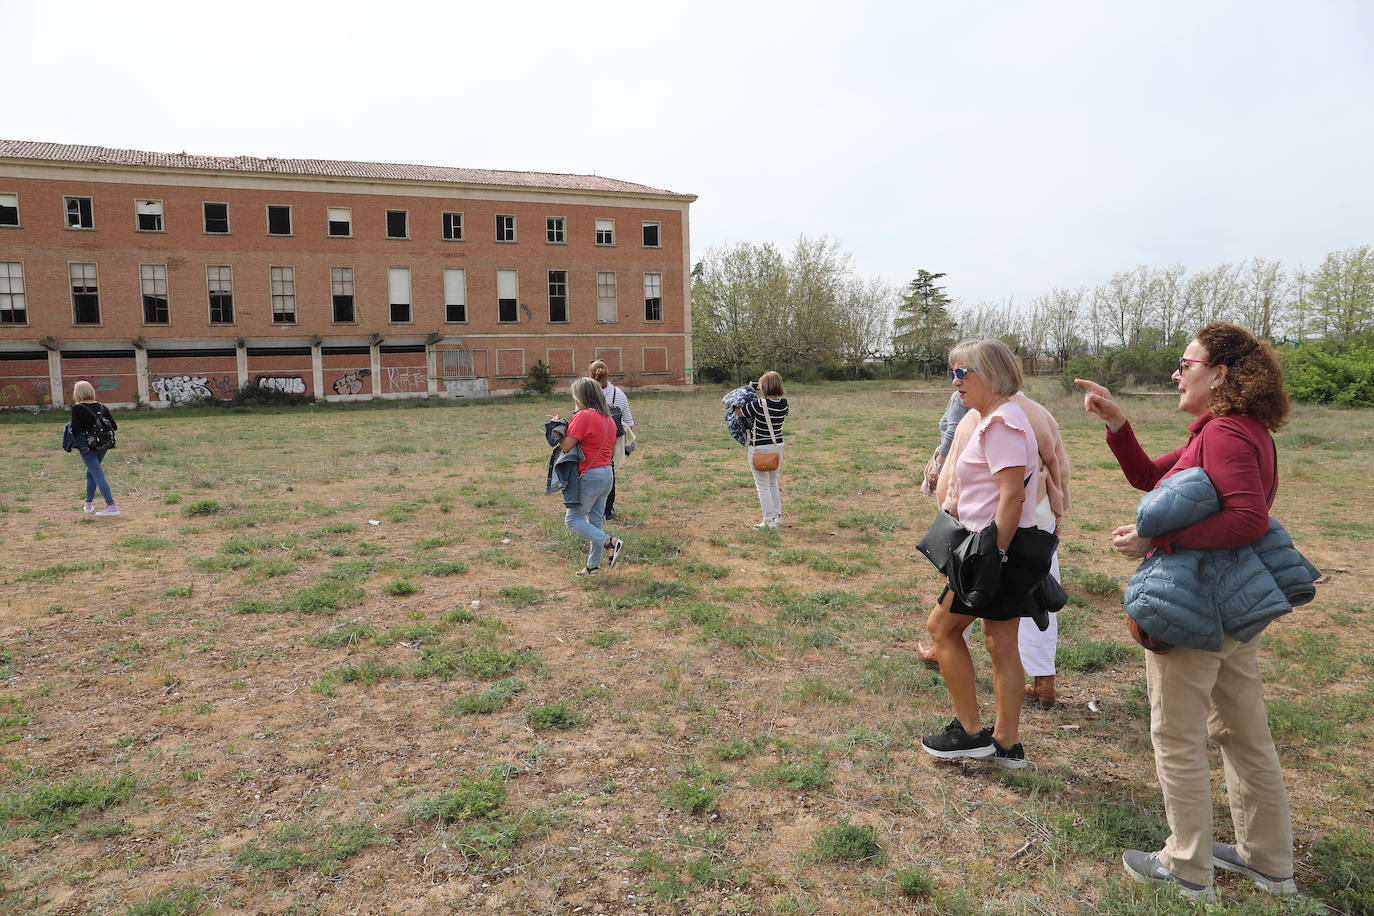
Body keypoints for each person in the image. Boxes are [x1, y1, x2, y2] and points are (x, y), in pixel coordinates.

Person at [1076, 322, 1298, 901]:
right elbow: (1152, 477)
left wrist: (1160, 542)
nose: (1178, 373)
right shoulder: (1233, 430)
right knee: (1244, 733)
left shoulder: (1223, 434)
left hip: (1197, 606)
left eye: (1186, 363)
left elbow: (1247, 519)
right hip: (1232, 607)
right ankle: (1268, 862)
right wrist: (1118, 424)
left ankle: (1186, 866)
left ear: (1220, 374)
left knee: (1176, 733)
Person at [920, 340, 1045, 769]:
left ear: (990, 374)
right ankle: (1006, 745)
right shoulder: (996, 418)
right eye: (952, 372)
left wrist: (995, 558)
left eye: (961, 373)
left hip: (992, 550)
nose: (954, 383)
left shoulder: (1002, 424)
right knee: (1000, 643)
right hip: (999, 548)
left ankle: (970, 732)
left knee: (942, 629)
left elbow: (1011, 498)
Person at [919, 391, 1071, 709]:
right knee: (1035, 592)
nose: (958, 381)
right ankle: (1044, 680)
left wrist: (948, 508)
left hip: (996, 517)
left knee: (973, 579)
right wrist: (1057, 507)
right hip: (1037, 511)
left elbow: (958, 470)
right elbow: (1059, 465)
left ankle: (944, 646)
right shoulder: (1038, 410)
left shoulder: (985, 416)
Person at [553, 377, 623, 577]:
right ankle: (593, 567)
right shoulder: (609, 418)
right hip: (607, 475)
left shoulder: (582, 417)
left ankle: (610, 542)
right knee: (595, 521)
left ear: (581, 398)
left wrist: (556, 427)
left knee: (573, 520)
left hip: (589, 476)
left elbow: (566, 446)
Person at [734, 371, 788, 529]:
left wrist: (747, 391)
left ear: (763, 387)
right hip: (777, 446)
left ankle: (768, 521)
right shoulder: (784, 404)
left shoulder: (758, 405)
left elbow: (739, 412)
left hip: (759, 448)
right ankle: (777, 516)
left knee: (762, 485)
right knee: (772, 482)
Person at [588, 359, 633, 521]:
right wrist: (625, 444)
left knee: (590, 476)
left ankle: (592, 511)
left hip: (591, 444)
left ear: (591, 375)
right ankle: (607, 512)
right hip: (611, 444)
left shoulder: (586, 394)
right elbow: (629, 422)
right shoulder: (619, 394)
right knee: (609, 477)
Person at [70, 380, 119, 517]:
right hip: (103, 445)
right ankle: (88, 504)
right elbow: (114, 426)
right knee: (90, 473)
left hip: (87, 447)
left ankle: (111, 506)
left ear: (77, 393)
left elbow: (75, 430)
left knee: (97, 474)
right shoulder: (102, 406)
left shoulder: (77, 408)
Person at [921, 391, 969, 494]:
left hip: (954, 461)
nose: (955, 381)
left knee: (949, 504)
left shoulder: (958, 397)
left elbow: (952, 432)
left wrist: (938, 466)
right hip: (968, 461)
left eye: (960, 374)